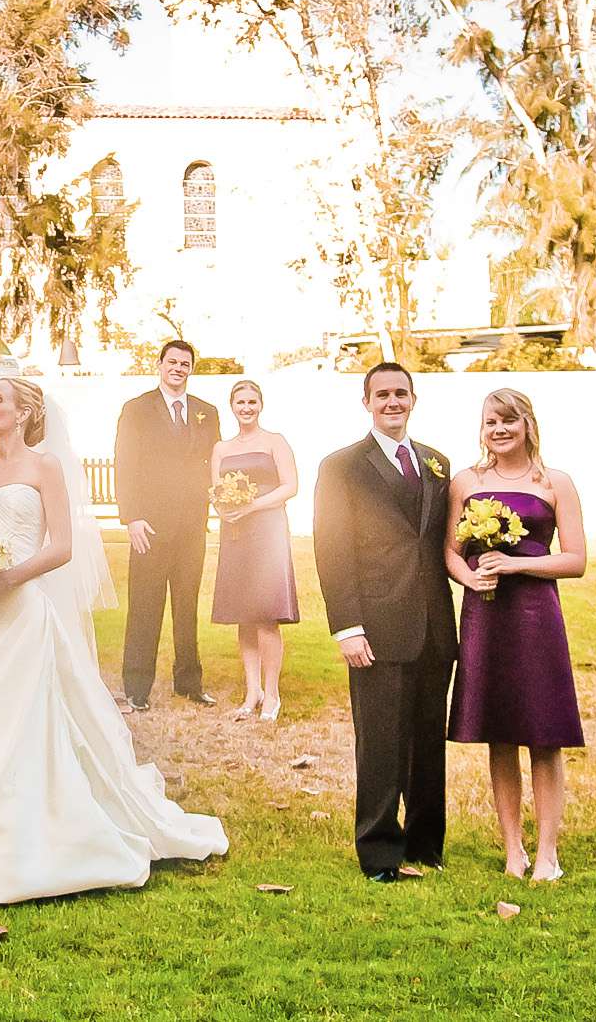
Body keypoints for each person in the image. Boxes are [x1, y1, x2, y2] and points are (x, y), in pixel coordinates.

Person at [0, 377, 227, 904]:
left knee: (23, 723)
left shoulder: (45, 467)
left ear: (21, 414)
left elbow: (61, 546)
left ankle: (36, 837)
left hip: (20, 612)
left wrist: (6, 579)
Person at [312, 362, 455, 881]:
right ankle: (378, 850)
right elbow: (331, 549)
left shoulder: (437, 463)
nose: (392, 402)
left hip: (434, 624)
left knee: (426, 738)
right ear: (367, 402)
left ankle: (425, 843)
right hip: (374, 623)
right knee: (380, 740)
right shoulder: (342, 466)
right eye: (382, 394)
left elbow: (440, 542)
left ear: (413, 399)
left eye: (401, 393)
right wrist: (347, 626)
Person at [444, 389, 586, 881]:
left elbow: (576, 560)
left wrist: (518, 564)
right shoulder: (466, 481)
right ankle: (513, 848)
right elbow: (450, 551)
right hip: (485, 613)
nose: (499, 430)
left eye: (508, 421)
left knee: (544, 735)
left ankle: (548, 850)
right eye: (490, 423)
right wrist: (470, 577)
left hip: (535, 613)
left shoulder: (555, 483)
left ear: (527, 424)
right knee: (498, 734)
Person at [115, 340, 220, 710]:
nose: (178, 368)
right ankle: (137, 688)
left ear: (192, 369)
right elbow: (125, 463)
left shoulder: (207, 412)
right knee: (145, 605)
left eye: (185, 363)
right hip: (150, 525)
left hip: (193, 525)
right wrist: (132, 517)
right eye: (172, 362)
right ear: (159, 365)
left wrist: (223, 499)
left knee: (187, 605)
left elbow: (215, 463)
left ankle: (189, 682)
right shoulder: (137, 410)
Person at [209, 379, 299, 721]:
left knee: (265, 614)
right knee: (244, 614)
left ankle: (272, 694)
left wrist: (253, 506)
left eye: (252, 402)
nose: (246, 408)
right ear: (232, 407)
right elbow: (215, 490)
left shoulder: (275, 441)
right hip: (236, 534)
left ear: (261, 405)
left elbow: (291, 485)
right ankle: (252, 692)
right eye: (240, 402)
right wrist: (226, 509)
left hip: (268, 531)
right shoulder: (221, 448)